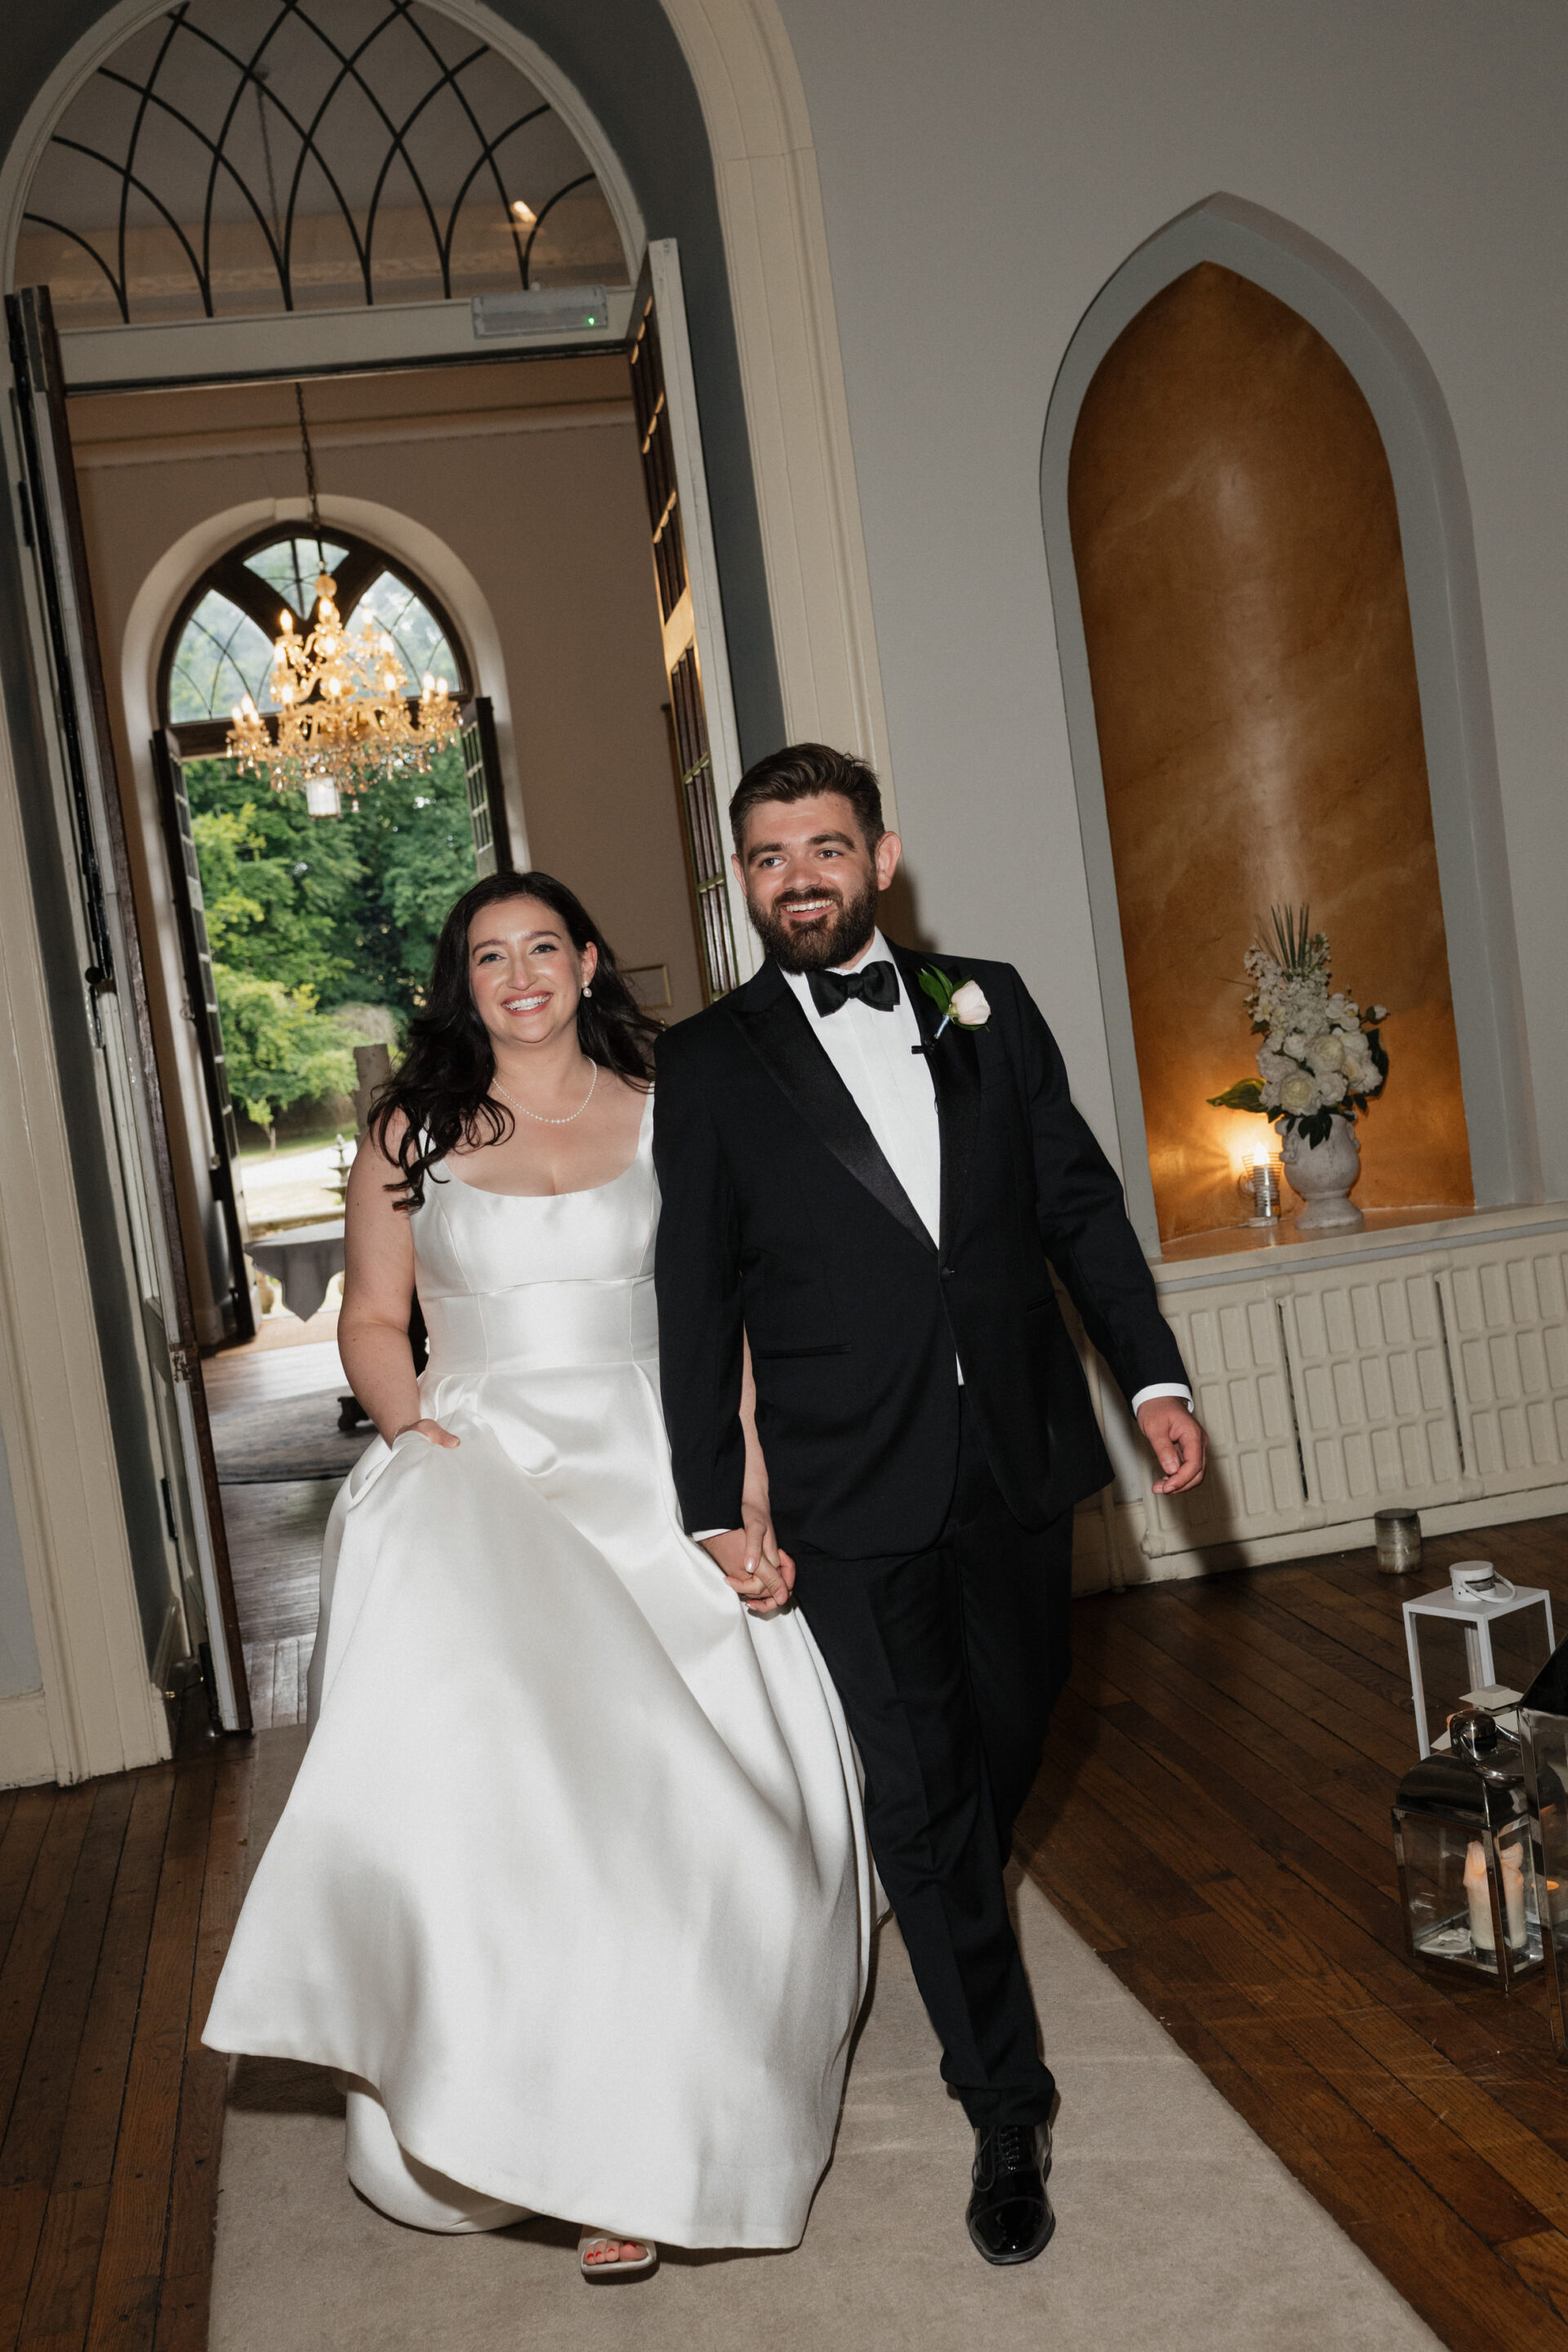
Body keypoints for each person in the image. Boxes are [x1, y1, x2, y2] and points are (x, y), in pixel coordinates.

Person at [204, 871, 871, 2279]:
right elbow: (376, 1322)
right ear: (467, 979)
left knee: (707, 1816)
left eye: (544, 948)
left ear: (584, 962)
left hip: (654, 1461)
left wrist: (744, 1484)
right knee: (534, 1819)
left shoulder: (668, 1106)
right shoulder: (411, 1129)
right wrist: (415, 1434)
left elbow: (722, 1320)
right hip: (486, 1468)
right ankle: (579, 2153)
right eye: (489, 954)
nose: (519, 974)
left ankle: (679, 2101)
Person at [653, 743, 1207, 2268]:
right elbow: (691, 1295)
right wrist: (716, 1495)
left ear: (880, 858)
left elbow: (1077, 1204)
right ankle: (1002, 2104)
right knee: (923, 1789)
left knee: (1016, 1730)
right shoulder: (708, 1062)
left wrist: (1150, 1379)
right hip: (845, 1478)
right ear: (746, 881)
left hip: (1021, 1449)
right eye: (768, 860)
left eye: (824, 850)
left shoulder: (992, 1003)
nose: (799, 881)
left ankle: (943, 1887)